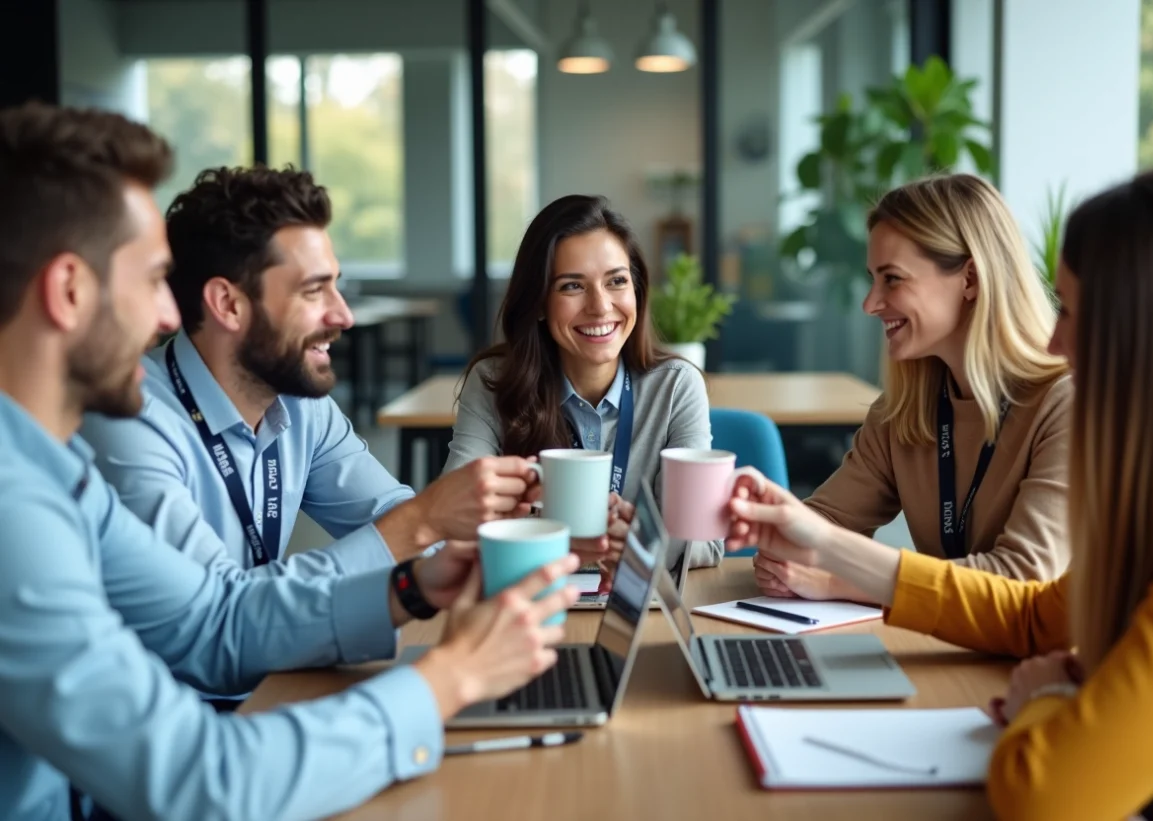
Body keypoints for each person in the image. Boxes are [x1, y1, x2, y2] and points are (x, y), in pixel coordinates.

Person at [0, 101, 579, 821]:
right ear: (69, 292)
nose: (168, 316)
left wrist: (412, 585)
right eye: (152, 280)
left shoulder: (49, 469)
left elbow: (215, 619)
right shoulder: (15, 507)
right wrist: (447, 679)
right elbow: (204, 782)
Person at [727, 166, 1153, 821]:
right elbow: (1034, 617)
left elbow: (1046, 796)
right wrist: (818, 542)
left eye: (1071, 311)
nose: (1056, 340)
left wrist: (1046, 701)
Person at [81, 166, 536, 584]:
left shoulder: (301, 406)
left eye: (336, 285)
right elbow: (212, 608)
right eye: (313, 290)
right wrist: (425, 520)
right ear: (227, 304)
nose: (343, 316)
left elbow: (387, 516)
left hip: (265, 667)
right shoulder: (130, 416)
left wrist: (513, 537)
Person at [754, 174, 1072, 604]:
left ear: (971, 279)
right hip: (945, 653)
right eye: (872, 278)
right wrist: (783, 542)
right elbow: (820, 525)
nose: (870, 303)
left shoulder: (1067, 406)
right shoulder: (904, 410)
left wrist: (842, 581)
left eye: (893, 279)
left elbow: (1021, 581)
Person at [446, 194, 722, 581]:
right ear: (539, 302)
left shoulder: (676, 386)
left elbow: (705, 541)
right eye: (572, 286)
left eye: (617, 281)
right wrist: (561, 539)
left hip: (637, 611)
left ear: (637, 291)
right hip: (531, 605)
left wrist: (630, 542)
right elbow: (450, 522)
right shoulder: (495, 381)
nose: (600, 306)